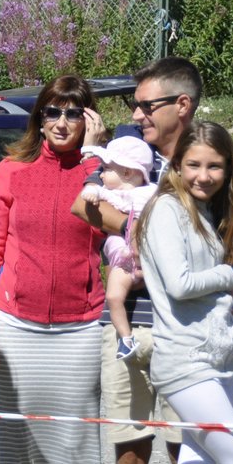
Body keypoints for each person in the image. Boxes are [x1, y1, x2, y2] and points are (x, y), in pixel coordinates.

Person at [71, 57, 233, 464]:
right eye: (134, 106)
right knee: (130, 454)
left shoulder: (217, 155)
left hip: (197, 330)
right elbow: (83, 205)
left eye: (145, 105)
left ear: (182, 105)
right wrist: (149, 236)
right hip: (131, 322)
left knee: (193, 454)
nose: (136, 115)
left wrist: (179, 243)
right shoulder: (127, 153)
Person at [0, 75, 107, 464]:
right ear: (39, 118)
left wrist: (96, 160)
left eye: (74, 112)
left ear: (90, 118)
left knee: (75, 439)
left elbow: (117, 226)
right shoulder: (12, 170)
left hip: (81, 325)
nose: (61, 121)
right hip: (15, 323)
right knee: (19, 441)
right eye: (52, 111)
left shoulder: (107, 172)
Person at [135, 121, 233, 464]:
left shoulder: (205, 210)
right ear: (177, 163)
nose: (202, 175)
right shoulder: (167, 209)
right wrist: (231, 273)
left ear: (228, 170)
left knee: (197, 462)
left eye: (215, 166)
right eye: (193, 164)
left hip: (217, 356)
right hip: (186, 361)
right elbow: (179, 283)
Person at [78, 135, 156, 358]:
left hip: (152, 258)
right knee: (113, 297)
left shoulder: (153, 192)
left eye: (106, 169)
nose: (100, 175)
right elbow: (91, 194)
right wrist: (92, 191)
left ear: (128, 172)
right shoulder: (109, 192)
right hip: (124, 261)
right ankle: (126, 338)